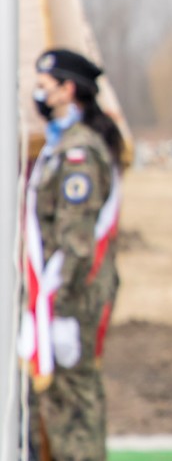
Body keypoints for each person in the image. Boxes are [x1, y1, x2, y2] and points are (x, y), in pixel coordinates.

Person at [21, 49, 125, 461]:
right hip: (56, 296)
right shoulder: (61, 145)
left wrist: (60, 307)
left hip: (73, 297)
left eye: (44, 87)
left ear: (67, 90)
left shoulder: (78, 152)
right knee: (51, 402)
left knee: (74, 406)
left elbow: (77, 240)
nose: (38, 95)